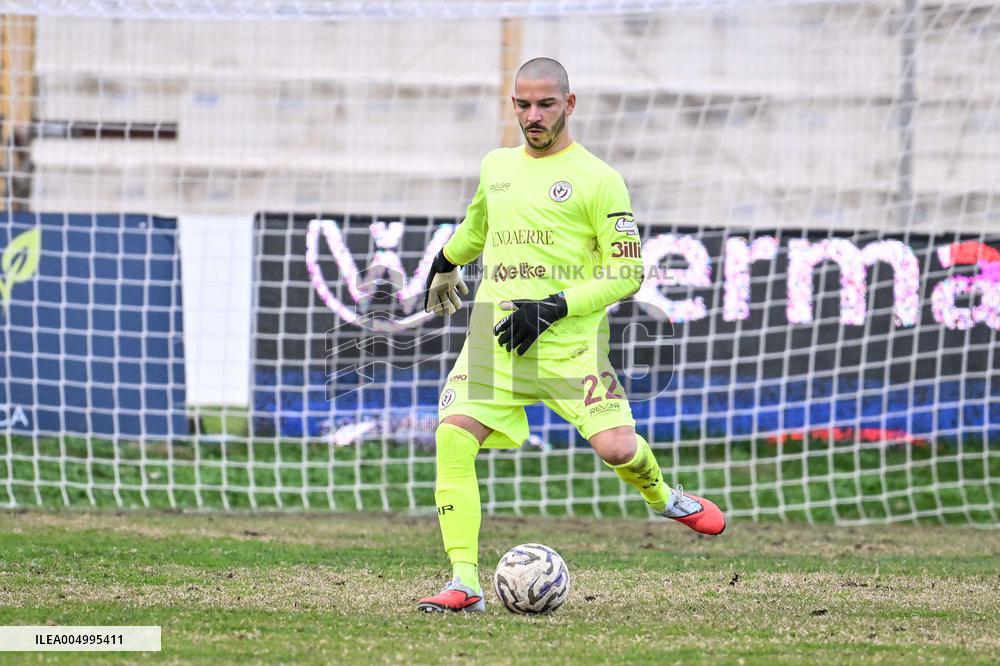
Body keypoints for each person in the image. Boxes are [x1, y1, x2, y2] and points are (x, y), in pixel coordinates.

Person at [416, 58, 726, 613]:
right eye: (523, 105)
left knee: (618, 448)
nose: (532, 117)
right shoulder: (497, 166)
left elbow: (628, 272)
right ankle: (464, 581)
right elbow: (477, 228)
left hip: (570, 346)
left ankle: (664, 497)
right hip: (495, 337)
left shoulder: (599, 179)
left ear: (569, 104)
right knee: (452, 438)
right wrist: (445, 259)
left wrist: (554, 306)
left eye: (545, 105)